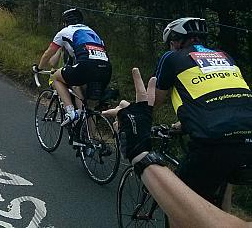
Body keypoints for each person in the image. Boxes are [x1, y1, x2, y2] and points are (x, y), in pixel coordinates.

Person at [105, 68, 251, 228]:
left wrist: (139, 150)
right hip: (242, 136)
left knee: (182, 201)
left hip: (217, 140)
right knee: (225, 172)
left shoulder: (173, 60)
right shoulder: (229, 69)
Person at [154, 17, 252, 208]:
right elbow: (222, 100)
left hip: (214, 142)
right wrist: (183, 124)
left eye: (171, 43)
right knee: (223, 183)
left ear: (176, 41)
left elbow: (154, 102)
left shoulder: (171, 57)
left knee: (178, 204)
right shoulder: (225, 57)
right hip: (248, 138)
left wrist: (131, 115)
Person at [36, 8, 112, 126]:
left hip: (86, 66)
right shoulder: (92, 32)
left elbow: (48, 54)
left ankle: (71, 112)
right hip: (106, 68)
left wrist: (39, 68)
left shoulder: (65, 32)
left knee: (55, 77)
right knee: (89, 108)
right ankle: (90, 136)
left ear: (65, 22)